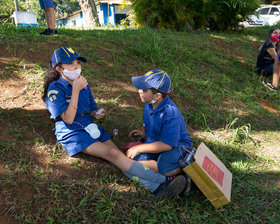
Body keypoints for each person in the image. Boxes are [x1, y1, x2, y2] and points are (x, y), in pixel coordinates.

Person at [42, 47, 187, 200]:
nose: (76, 67)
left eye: (77, 62)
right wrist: (75, 91)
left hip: (89, 126)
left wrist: (95, 113)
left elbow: (90, 110)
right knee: (114, 155)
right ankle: (164, 182)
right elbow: (69, 119)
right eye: (70, 64)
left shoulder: (83, 84)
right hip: (72, 133)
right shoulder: (55, 90)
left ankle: (155, 188)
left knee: (121, 159)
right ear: (59, 69)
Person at [127, 69, 193, 197]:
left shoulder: (170, 113)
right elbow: (151, 124)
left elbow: (168, 145)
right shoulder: (149, 104)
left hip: (177, 145)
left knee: (164, 165)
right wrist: (143, 132)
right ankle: (168, 179)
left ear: (157, 96)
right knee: (135, 159)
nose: (140, 91)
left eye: (144, 90)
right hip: (158, 141)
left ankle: (183, 173)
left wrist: (140, 148)